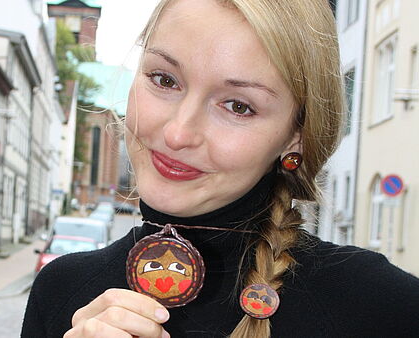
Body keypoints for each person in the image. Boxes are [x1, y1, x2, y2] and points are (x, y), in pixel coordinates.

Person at [22, 0, 419, 337]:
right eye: (164, 79)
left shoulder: (380, 306)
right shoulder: (63, 292)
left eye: (238, 106)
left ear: (294, 137)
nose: (178, 133)